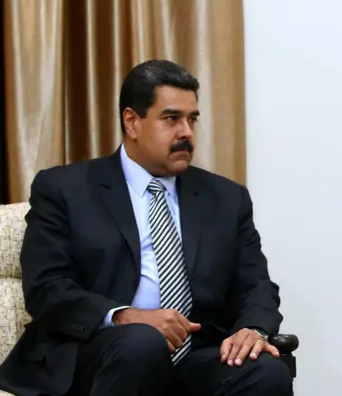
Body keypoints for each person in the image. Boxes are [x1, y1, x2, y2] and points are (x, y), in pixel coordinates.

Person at [0, 60, 293, 396]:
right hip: (98, 350)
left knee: (267, 372)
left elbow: (256, 285)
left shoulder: (227, 198)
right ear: (132, 122)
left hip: (194, 354)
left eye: (192, 119)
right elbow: (46, 287)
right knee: (141, 342)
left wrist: (254, 329)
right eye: (171, 119)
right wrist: (126, 316)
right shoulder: (64, 189)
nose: (186, 132)